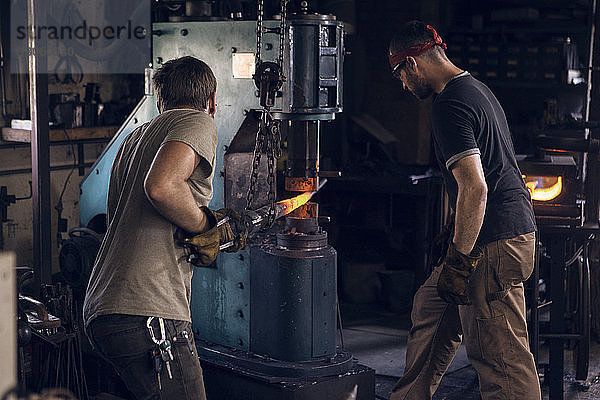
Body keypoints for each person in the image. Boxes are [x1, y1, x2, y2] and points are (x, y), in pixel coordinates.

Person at [387, 21, 540, 400]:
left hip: (494, 244)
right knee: (432, 305)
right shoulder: (476, 89)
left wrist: (459, 259)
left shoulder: (449, 105)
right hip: (502, 234)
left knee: (501, 361)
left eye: (399, 76)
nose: (403, 87)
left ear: (413, 63)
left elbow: (475, 187)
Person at [83, 56, 235, 400]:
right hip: (148, 314)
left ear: (158, 99)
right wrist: (206, 225)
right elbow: (162, 187)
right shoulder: (198, 122)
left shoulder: (136, 138)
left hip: (103, 307)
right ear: (211, 101)